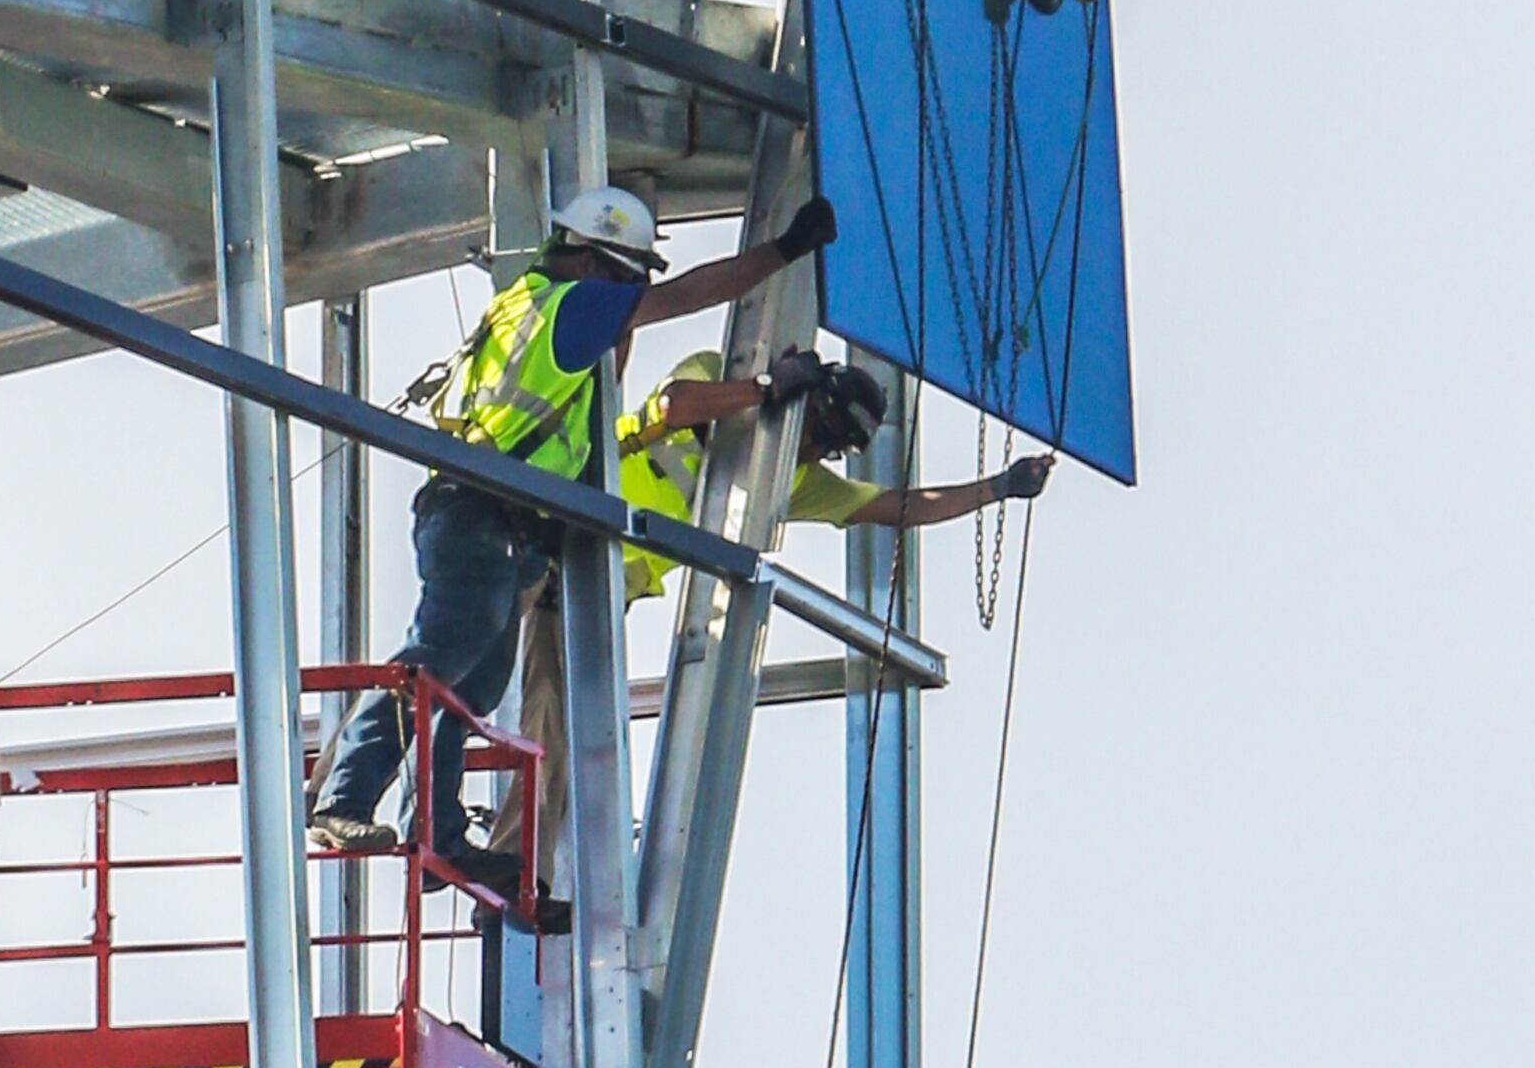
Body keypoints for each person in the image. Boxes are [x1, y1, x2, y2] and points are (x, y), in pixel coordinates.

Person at [308, 183, 830, 885]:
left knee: (474, 685)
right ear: (588, 259)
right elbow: (691, 295)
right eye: (624, 277)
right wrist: (785, 250)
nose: (629, 297)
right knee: (440, 656)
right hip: (479, 507)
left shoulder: (532, 304)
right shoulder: (572, 306)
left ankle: (439, 834)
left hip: (504, 519)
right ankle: (344, 794)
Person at [617, 346, 1052, 593]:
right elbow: (678, 405)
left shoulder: (796, 481)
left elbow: (904, 508)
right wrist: (766, 389)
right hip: (585, 496)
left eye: (831, 447)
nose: (814, 449)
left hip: (621, 574)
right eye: (818, 431)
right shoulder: (718, 372)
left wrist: (999, 487)